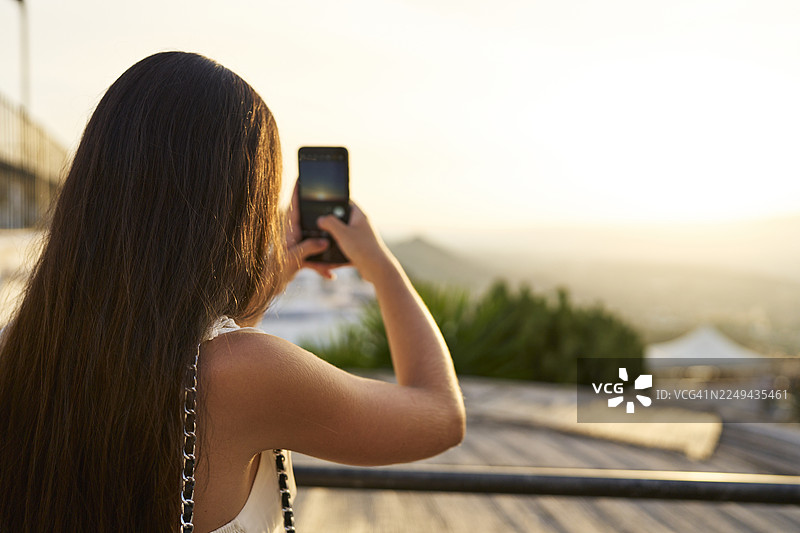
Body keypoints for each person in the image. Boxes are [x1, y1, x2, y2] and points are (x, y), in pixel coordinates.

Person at [0, 52, 465, 533]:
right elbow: (440, 414)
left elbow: (168, 349)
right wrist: (379, 265)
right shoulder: (247, 373)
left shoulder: (22, 346)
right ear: (241, 207)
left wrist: (264, 281)